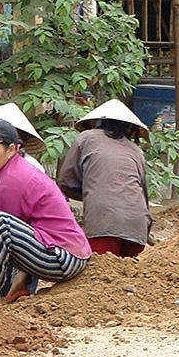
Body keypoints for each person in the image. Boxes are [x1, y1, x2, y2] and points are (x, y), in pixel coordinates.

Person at [0, 119, 91, 307]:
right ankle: (22, 283)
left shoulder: (13, 180)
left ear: (12, 149)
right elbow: (2, 228)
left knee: (0, 222)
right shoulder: (11, 171)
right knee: (0, 222)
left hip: (63, 259)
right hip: (61, 251)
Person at [58, 100, 152, 257]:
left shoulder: (86, 138)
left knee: (100, 275)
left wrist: (93, 192)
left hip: (103, 221)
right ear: (130, 128)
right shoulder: (135, 151)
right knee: (129, 276)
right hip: (137, 223)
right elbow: (143, 193)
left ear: (99, 121)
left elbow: (66, 182)